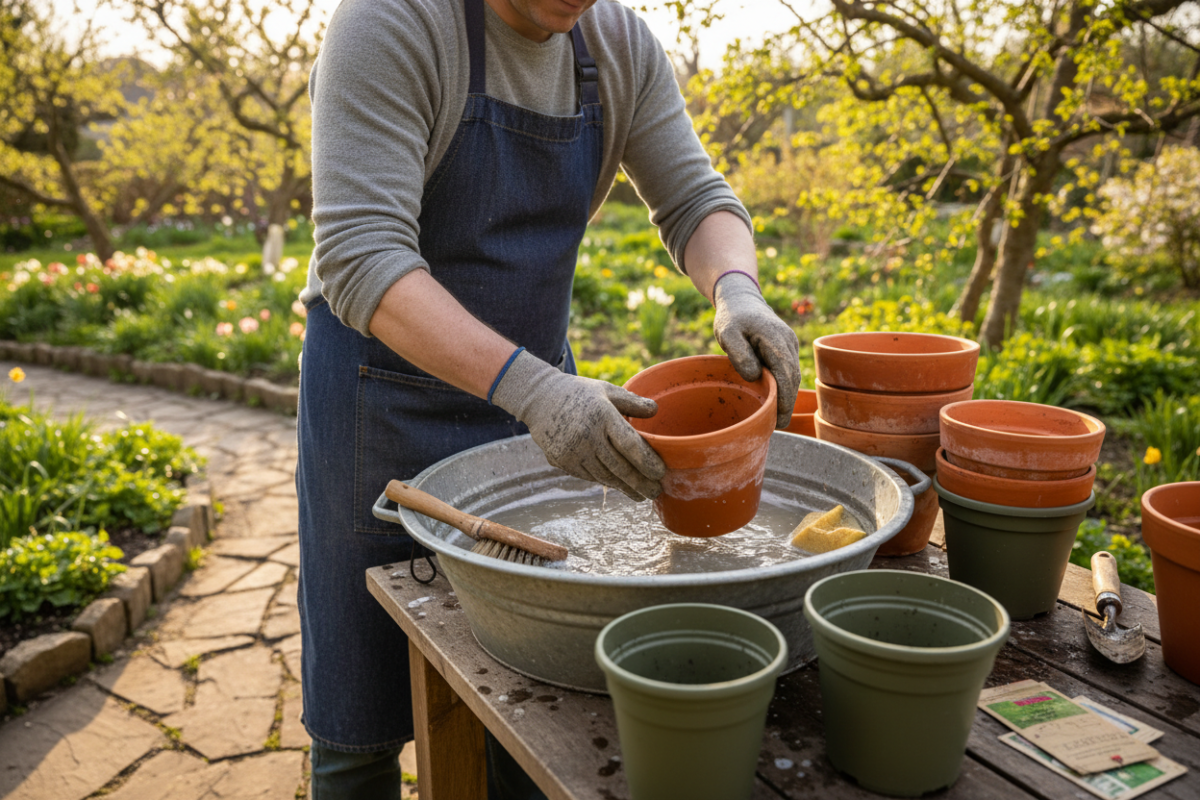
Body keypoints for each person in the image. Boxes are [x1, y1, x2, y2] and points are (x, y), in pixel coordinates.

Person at [296, 0, 801, 796]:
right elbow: (362, 257)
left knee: (529, 694)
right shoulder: (390, 24)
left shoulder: (616, 42)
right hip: (379, 405)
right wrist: (535, 389)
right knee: (360, 720)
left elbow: (695, 197)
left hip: (539, 411)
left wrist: (737, 291)